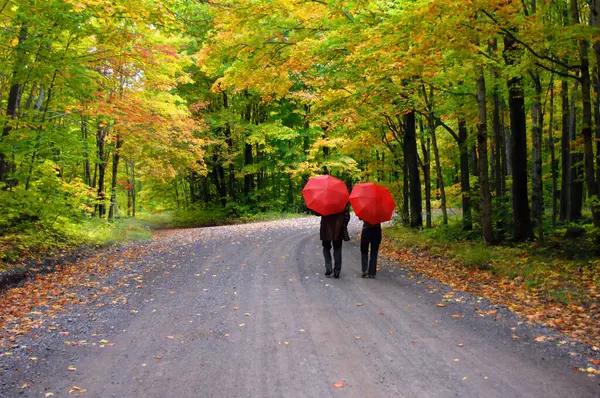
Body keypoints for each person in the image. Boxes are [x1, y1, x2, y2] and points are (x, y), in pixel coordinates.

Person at [320, 204, 351, 278]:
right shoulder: (342, 200)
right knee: (337, 248)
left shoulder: (324, 200)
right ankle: (337, 271)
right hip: (338, 228)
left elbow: (317, 212)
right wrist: (343, 225)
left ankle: (328, 268)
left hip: (326, 227)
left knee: (326, 248)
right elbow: (347, 216)